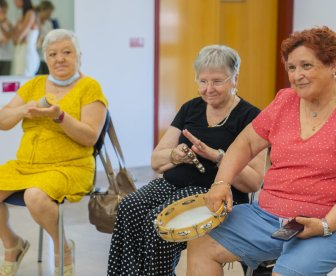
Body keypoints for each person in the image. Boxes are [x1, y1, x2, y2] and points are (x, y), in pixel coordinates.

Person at [186, 26, 336, 276]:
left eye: (306, 66)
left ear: (333, 64)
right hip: (268, 216)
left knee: (286, 272)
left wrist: (325, 225)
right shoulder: (285, 100)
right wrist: (221, 183)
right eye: (292, 68)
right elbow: (245, 143)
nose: (297, 75)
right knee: (201, 242)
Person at [107, 45, 266, 275]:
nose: (208, 89)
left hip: (212, 193)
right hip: (172, 185)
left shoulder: (251, 116)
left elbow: (253, 182)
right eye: (202, 81)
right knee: (129, 208)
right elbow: (156, 160)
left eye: (217, 81)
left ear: (235, 78)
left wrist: (217, 156)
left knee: (158, 222)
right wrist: (175, 154)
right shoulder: (191, 108)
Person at [0, 29, 108, 276]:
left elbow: (90, 136)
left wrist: (59, 116)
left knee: (35, 196)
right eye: (53, 54)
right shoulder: (34, 85)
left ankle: (63, 249)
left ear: (79, 56)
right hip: (25, 165)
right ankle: (12, 244)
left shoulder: (90, 87)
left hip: (70, 165)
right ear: (45, 58)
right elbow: (3, 120)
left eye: (67, 52)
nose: (60, 59)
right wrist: (22, 110)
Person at [11, 0, 40, 76]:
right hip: (21, 52)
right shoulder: (23, 15)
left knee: (24, 79)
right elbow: (15, 40)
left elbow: (18, 38)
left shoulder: (30, 13)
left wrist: (16, 32)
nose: (13, 1)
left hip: (27, 54)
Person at [0, 0, 13, 75]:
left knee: (5, 83)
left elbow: (9, 36)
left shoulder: (9, 21)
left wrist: (1, 24)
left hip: (6, 57)